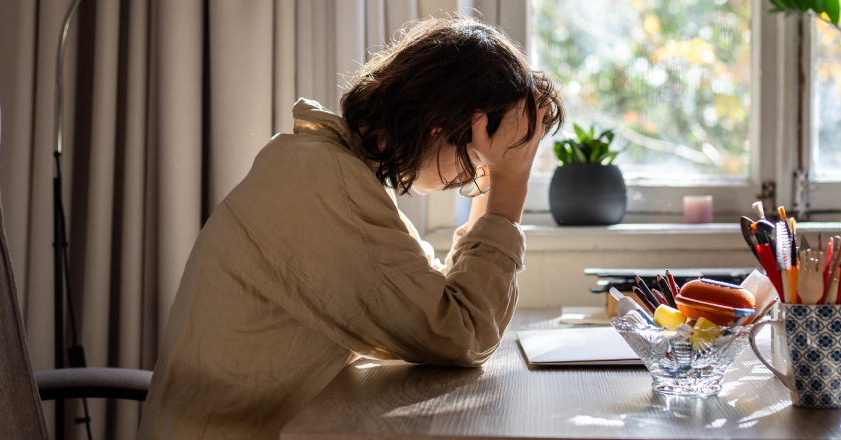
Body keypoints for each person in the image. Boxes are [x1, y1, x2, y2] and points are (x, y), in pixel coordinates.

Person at [139, 16, 564, 440]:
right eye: (482, 157)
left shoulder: (336, 168)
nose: (476, 176)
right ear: (443, 125)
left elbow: (436, 298)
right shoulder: (328, 187)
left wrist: (499, 181)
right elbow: (460, 333)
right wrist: (509, 186)